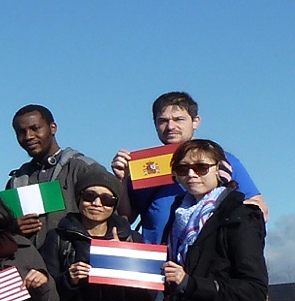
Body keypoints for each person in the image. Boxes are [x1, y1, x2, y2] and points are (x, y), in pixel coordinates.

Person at [111, 92, 268, 244]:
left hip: (206, 258)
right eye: (163, 121)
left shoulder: (221, 160)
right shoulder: (145, 166)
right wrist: (122, 179)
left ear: (195, 121)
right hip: (156, 257)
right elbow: (126, 217)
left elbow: (260, 209)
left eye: (179, 119)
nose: (170, 126)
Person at [160, 139, 266, 301]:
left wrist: (190, 283)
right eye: (182, 169)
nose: (191, 174)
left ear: (219, 170)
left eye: (201, 168)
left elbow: (254, 290)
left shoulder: (242, 216)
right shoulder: (177, 217)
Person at [5, 105, 106, 253]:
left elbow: (114, 216)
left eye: (35, 128)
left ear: (53, 128)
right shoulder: (17, 181)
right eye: (21, 132)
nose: (28, 136)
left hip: (76, 261)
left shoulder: (84, 168)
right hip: (31, 264)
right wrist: (13, 229)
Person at [42, 171, 149, 301]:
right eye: (89, 196)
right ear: (79, 199)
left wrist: (124, 259)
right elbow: (46, 290)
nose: (97, 203)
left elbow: (147, 294)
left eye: (107, 199)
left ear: (114, 205)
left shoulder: (132, 239)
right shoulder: (58, 238)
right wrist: (69, 279)